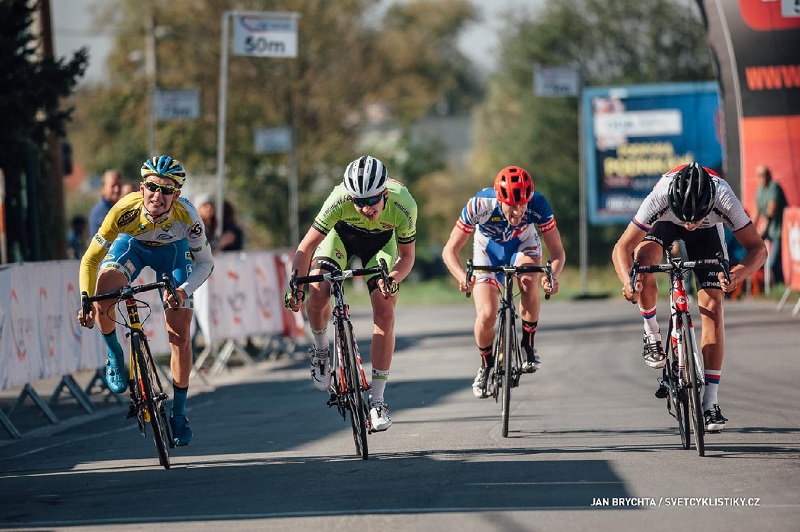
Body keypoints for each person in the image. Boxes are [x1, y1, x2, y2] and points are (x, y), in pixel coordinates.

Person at [611, 162, 766, 432]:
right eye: (686, 218)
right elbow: (622, 247)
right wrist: (628, 282)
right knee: (643, 263)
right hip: (665, 224)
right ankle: (651, 332)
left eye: (695, 218)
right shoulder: (661, 194)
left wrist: (737, 274)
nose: (690, 224)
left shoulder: (723, 197)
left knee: (713, 307)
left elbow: (758, 249)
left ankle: (710, 402)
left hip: (709, 232)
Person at [77, 155, 215, 446]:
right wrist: (86, 300)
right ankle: (115, 353)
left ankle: (179, 413)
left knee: (180, 334)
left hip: (173, 252)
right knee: (104, 292)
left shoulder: (188, 216)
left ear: (176, 194)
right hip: (133, 245)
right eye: (152, 187)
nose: (157, 195)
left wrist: (183, 291)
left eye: (166, 190)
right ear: (142, 188)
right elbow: (90, 259)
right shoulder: (123, 210)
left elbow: (206, 263)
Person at [283, 155, 417, 432]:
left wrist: (393, 279)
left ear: (384, 193)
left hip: (381, 246)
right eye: (359, 201)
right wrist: (296, 287)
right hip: (341, 238)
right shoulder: (339, 199)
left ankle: (377, 401)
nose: (366, 208)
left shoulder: (404, 203)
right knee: (318, 290)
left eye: (372, 200)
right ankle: (321, 350)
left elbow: (407, 257)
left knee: (385, 311)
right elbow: (305, 248)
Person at [441, 166, 565, 398]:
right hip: (487, 250)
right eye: (511, 205)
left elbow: (558, 251)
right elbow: (449, 250)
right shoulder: (480, 204)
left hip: (523, 244)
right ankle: (486, 365)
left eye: (522, 205)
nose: (518, 211)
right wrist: (462, 277)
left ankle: (527, 346)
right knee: (487, 315)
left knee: (528, 281)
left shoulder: (538, 204)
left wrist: (552, 276)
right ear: (500, 199)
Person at [752, 165, 788, 286]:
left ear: (769, 175)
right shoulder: (759, 190)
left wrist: (762, 229)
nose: (761, 178)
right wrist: (750, 229)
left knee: (774, 262)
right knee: (765, 261)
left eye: (763, 175)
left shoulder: (774, 187)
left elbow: (771, 210)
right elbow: (756, 211)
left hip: (779, 230)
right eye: (758, 176)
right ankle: (776, 286)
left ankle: (780, 285)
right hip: (768, 231)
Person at [88, 169, 125, 236]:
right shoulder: (101, 212)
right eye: (113, 186)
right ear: (103, 187)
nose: (117, 190)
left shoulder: (119, 208)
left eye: (119, 186)